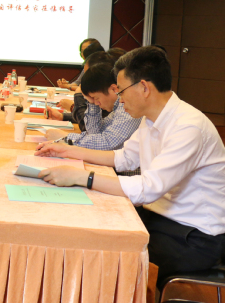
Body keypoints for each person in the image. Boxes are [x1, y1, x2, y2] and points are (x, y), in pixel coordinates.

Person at [35, 46, 225, 287]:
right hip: (162, 218)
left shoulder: (188, 126)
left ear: (144, 87)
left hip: (195, 235)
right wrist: (68, 150)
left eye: (121, 90)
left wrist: (82, 177)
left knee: (104, 253)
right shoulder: (151, 118)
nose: (120, 98)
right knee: (94, 225)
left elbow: (148, 188)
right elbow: (124, 158)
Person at [45, 62, 141, 175]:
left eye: (96, 98)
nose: (96, 103)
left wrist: (66, 138)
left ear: (114, 89)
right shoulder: (117, 108)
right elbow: (94, 133)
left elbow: (108, 143)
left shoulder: (129, 107)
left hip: (130, 177)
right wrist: (91, 102)